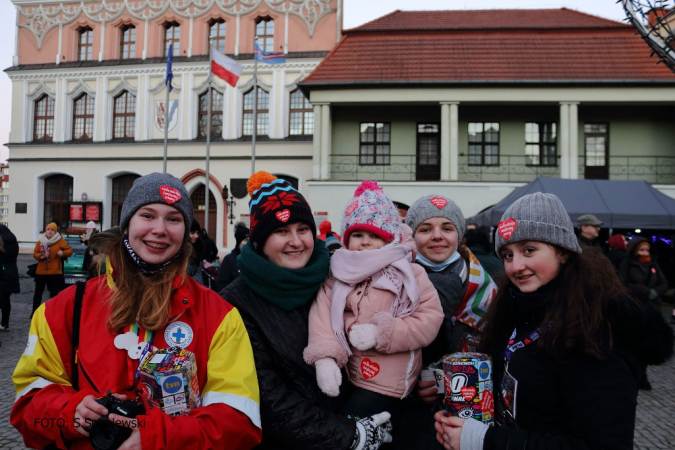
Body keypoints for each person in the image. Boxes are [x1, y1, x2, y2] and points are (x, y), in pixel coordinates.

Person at [11, 172, 262, 450]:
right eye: (148, 215)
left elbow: (239, 422)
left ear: (186, 231)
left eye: (174, 219)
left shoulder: (219, 316)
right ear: (127, 223)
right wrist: (69, 413)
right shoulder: (63, 308)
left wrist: (160, 438)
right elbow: (28, 404)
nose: (160, 229)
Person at [434, 192, 674, 450]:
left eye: (529, 250)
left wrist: (484, 440)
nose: (516, 266)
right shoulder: (516, 308)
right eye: (508, 255)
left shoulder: (596, 329)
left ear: (562, 252)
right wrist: (450, 394)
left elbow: (601, 444)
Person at [221, 171, 393, 449]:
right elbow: (268, 396)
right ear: (259, 242)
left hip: (363, 415)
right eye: (281, 231)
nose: (297, 241)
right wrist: (348, 434)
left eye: (302, 229)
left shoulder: (338, 276)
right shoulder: (236, 302)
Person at [303, 181, 443, 427]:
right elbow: (322, 316)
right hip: (351, 373)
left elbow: (429, 319)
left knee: (352, 426)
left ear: (389, 239)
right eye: (357, 235)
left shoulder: (410, 273)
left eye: (374, 235)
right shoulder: (338, 272)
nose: (365, 242)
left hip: (391, 380)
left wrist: (383, 333)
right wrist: (325, 358)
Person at [395, 195, 498, 449]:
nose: (437, 236)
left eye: (447, 228)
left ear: (459, 235)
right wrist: (413, 385)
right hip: (411, 422)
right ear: (412, 236)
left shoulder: (488, 284)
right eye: (426, 229)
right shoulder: (393, 284)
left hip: (472, 421)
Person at [618, 236, 668, 390]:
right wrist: (646, 291)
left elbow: (663, 282)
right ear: (635, 250)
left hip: (653, 308)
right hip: (635, 307)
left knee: (648, 342)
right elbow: (624, 283)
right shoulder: (627, 264)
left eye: (646, 249)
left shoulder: (653, 264)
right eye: (642, 249)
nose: (645, 252)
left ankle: (643, 375)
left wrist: (655, 292)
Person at [31, 222, 73, 315]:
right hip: (41, 271)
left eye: (52, 230)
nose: (50, 232)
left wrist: (62, 253)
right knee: (38, 293)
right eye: (48, 230)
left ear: (55, 232)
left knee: (55, 293)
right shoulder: (41, 241)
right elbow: (35, 253)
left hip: (54, 272)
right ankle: (34, 312)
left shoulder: (59, 241)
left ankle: (56, 311)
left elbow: (69, 250)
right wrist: (40, 257)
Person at [215, 222, 249, 292]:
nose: (249, 243)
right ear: (239, 242)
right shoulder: (229, 260)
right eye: (246, 240)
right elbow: (220, 285)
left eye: (250, 240)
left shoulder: (253, 259)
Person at [0, 225, 20, 331]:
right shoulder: (13, 241)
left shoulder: (1, 241)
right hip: (11, 272)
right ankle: (5, 323)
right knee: (6, 300)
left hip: (2, 273)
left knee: (2, 299)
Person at [186, 219, 205, 285]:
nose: (196, 236)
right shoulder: (176, 249)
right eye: (192, 233)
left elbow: (198, 271)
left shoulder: (198, 248)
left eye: (197, 233)